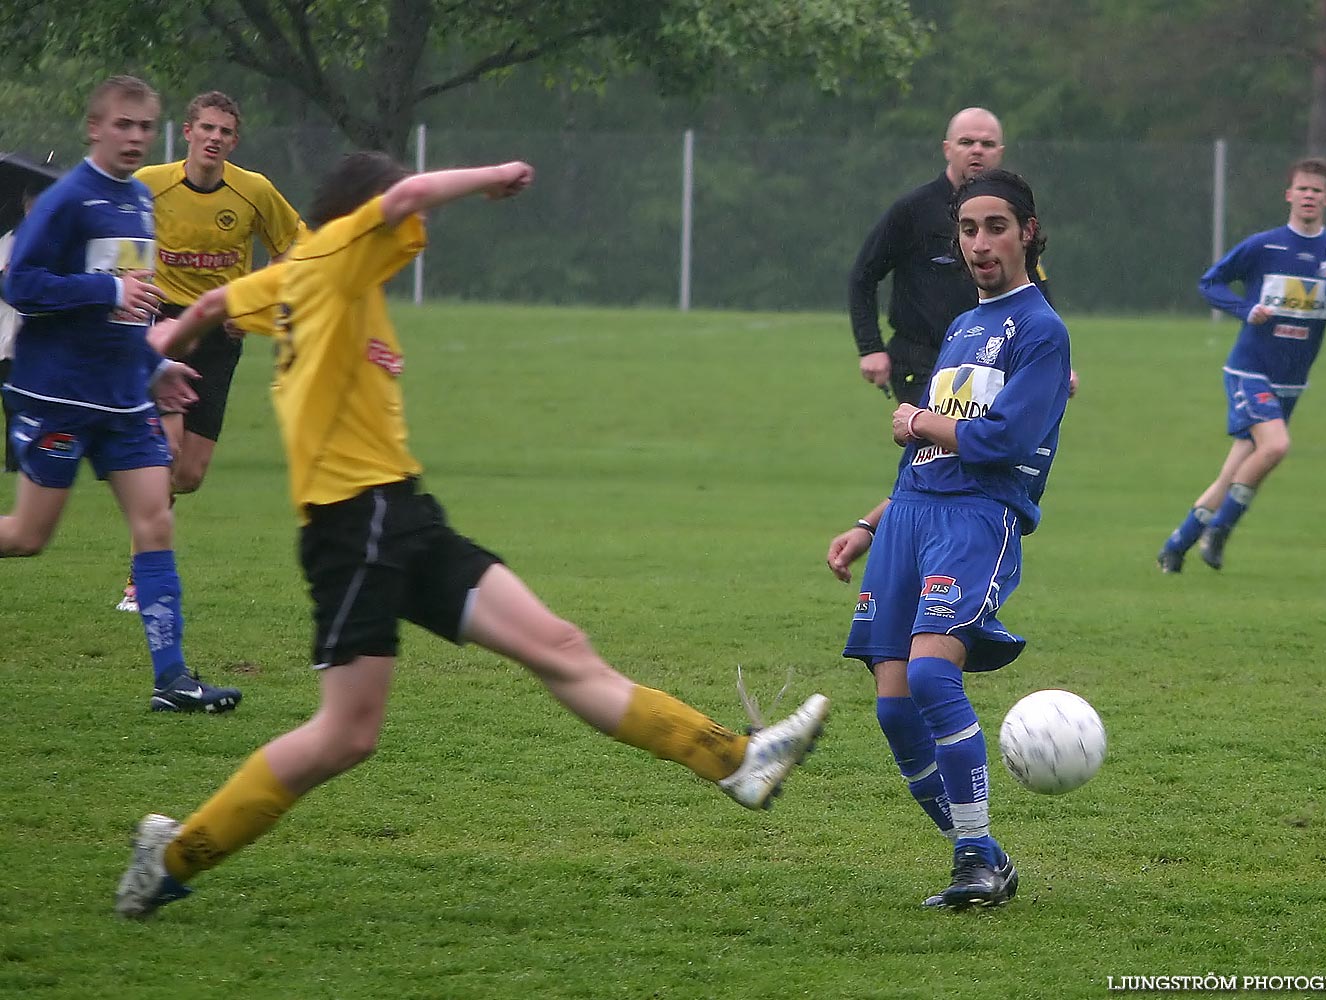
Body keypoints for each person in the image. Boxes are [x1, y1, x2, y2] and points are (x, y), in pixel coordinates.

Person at [114, 152, 831, 918]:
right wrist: (494, 176)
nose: (415, 236)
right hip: (351, 526)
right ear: (368, 213)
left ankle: (734, 759)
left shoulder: (298, 276)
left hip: (404, 512)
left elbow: (214, 303)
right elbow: (415, 193)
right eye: (402, 222)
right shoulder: (336, 248)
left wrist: (160, 357)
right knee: (346, 736)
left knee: (559, 645)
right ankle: (177, 853)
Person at [826, 168, 1070, 910]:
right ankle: (986, 857)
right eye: (967, 230)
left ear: (1026, 231)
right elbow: (927, 449)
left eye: (995, 227)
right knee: (895, 708)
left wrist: (919, 417)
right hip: (911, 515)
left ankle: (973, 860)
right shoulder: (964, 326)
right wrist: (872, 522)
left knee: (933, 678)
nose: (980, 243)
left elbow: (1002, 438)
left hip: (975, 518)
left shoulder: (1041, 330)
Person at [0, 75, 242, 714]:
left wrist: (151, 366)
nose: (135, 136)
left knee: (155, 521)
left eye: (143, 126)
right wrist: (105, 291)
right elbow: (19, 284)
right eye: (123, 125)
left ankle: (173, 681)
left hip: (123, 395)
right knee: (27, 535)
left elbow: (127, 313)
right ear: (96, 129)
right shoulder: (67, 201)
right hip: (58, 394)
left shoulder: (138, 201)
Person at [113, 90, 303, 612]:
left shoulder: (254, 191)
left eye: (225, 131)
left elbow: (291, 244)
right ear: (188, 131)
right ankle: (140, 578)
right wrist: (134, 279)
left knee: (189, 474)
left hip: (219, 334)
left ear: (234, 141)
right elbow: (119, 226)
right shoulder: (152, 183)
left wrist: (252, 302)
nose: (215, 138)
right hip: (166, 326)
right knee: (166, 451)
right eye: (207, 128)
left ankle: (143, 508)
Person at [1156, 157, 1326, 573]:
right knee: (1276, 446)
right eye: (1302, 189)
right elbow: (1210, 282)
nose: (1309, 196)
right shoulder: (1265, 246)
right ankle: (1220, 532)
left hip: (1291, 384)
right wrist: (1246, 309)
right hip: (1249, 370)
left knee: (1235, 470)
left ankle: (1176, 545)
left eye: (1316, 190)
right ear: (1289, 194)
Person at [848, 107, 1063, 405]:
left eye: (987, 144)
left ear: (1000, 152)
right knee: (941, 443)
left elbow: (1033, 284)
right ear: (947, 149)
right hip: (922, 360)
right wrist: (870, 347)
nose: (977, 150)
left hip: (990, 358)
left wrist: (1052, 356)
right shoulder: (913, 210)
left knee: (986, 445)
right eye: (966, 142)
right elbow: (863, 276)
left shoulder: (1013, 210)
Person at [0, 186, 41, 472]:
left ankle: (17, 462)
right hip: (3, 327)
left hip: (30, 333)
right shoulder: (8, 240)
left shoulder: (53, 243)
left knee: (17, 403)